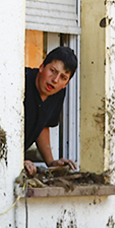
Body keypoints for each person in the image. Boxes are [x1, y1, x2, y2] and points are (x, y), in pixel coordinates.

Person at [23, 46, 78, 176]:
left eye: (63, 77)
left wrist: (51, 163)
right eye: (53, 70)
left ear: (66, 84)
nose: (55, 80)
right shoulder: (22, 80)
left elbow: (43, 125)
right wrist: (17, 161)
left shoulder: (58, 93)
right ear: (42, 67)